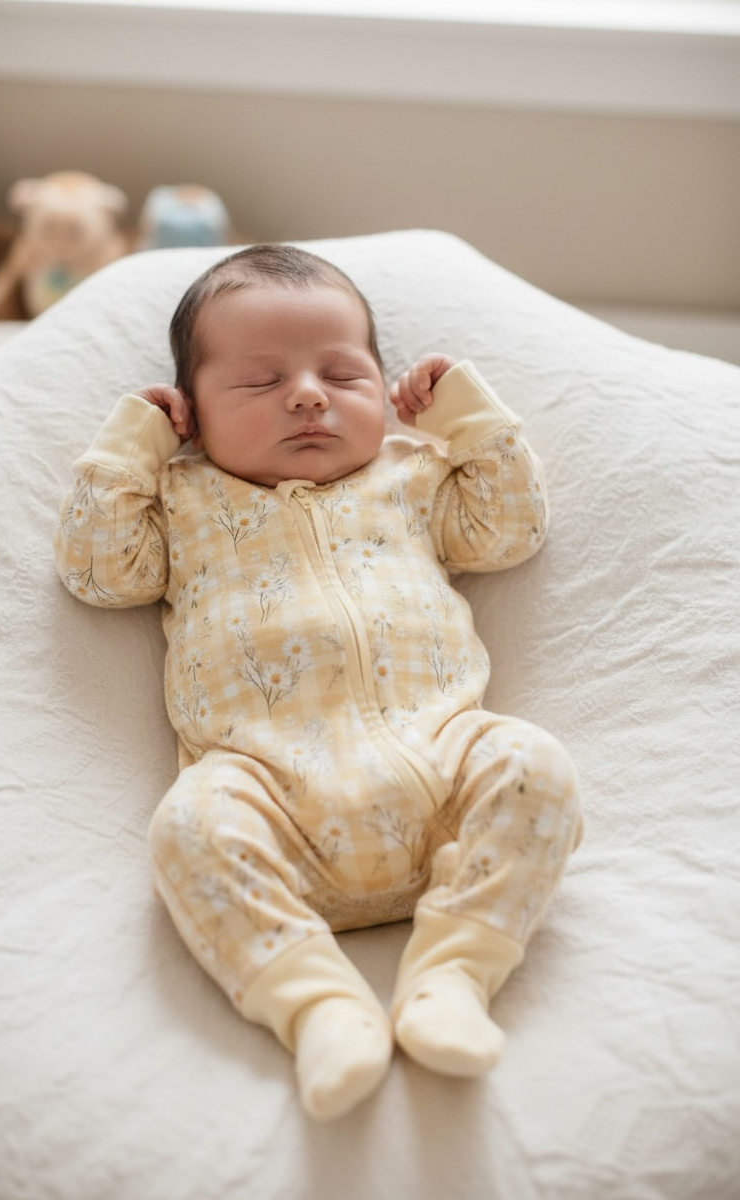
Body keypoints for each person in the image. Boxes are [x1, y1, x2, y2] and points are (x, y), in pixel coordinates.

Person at [55, 244, 582, 1121]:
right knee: (187, 824)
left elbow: (509, 531)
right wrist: (132, 450)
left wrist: (466, 419)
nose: (306, 394)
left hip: (439, 763)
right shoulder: (184, 505)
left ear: (385, 388)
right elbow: (100, 572)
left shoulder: (412, 478)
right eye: (260, 383)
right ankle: (317, 1007)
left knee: (535, 763)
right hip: (269, 793)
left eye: (343, 374)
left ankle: (452, 975)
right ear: (191, 416)